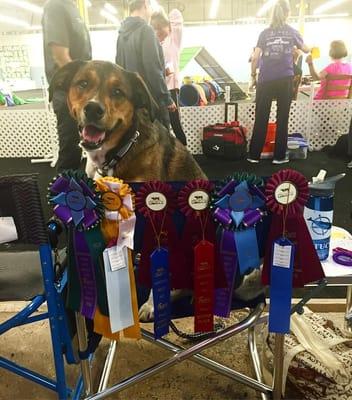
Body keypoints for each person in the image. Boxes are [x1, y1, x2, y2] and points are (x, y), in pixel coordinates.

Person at [247, 0, 310, 164]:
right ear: (288, 13)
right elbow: (305, 49)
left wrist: (253, 76)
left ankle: (254, 156)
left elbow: (255, 57)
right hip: (285, 79)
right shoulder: (292, 32)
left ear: (271, 14)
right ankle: (279, 157)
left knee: (261, 117)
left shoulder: (264, 33)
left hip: (266, 79)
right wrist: (307, 47)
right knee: (283, 118)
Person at [42, 0, 92, 172]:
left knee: (80, 147)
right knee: (70, 150)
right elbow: (60, 56)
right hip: (69, 93)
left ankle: (76, 194)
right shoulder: (56, 6)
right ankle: (63, 197)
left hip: (81, 93)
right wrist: (83, 87)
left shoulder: (73, 7)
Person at [115, 0, 176, 130]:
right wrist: (166, 98)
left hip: (130, 104)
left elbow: (118, 68)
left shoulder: (121, 35)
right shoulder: (146, 31)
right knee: (162, 144)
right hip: (151, 103)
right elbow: (153, 70)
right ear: (146, 4)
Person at [151, 9, 187, 146]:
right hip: (158, 88)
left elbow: (177, 15)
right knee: (160, 124)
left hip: (171, 88)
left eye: (160, 29)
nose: (159, 33)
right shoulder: (154, 43)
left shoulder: (174, 40)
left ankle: (185, 152)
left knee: (175, 122)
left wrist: (162, 14)